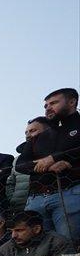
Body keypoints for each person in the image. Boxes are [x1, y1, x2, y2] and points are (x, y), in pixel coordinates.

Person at [21, 88, 80, 242]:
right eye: (46, 105)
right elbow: (20, 165)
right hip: (36, 199)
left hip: (70, 193)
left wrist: (54, 158)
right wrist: (47, 164)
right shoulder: (40, 137)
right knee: (39, 248)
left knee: (69, 245)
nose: (48, 108)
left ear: (72, 101)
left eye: (53, 103)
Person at [0, 210, 75, 256]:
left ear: (36, 229)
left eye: (19, 230)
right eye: (11, 231)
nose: (13, 236)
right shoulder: (3, 252)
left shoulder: (57, 242)